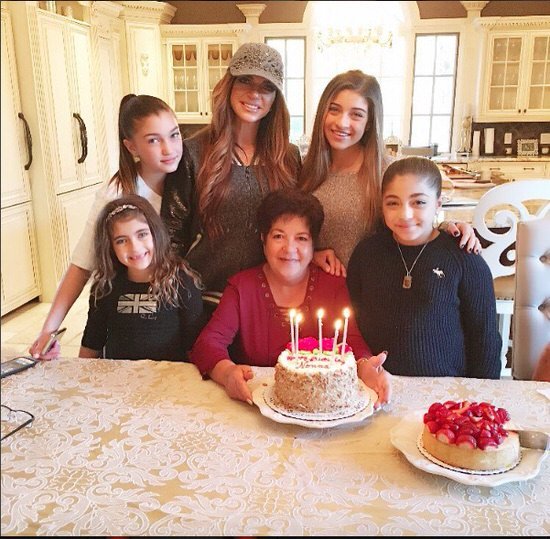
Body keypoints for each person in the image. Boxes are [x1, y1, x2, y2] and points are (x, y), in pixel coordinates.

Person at [190, 189, 391, 407]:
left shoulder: (332, 286)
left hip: (319, 408)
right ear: (263, 239)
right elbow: (208, 343)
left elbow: (351, 341)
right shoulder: (242, 287)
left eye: (301, 238)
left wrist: (366, 368)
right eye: (278, 236)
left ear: (313, 244)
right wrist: (228, 372)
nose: (290, 248)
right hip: (255, 407)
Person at [29, 94, 193, 359]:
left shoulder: (189, 178)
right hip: (131, 313)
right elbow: (82, 265)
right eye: (154, 140)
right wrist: (49, 329)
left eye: (174, 135)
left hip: (178, 305)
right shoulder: (116, 194)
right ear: (132, 147)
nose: (169, 148)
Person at [161, 42, 301, 317]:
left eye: (266, 87)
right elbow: (171, 235)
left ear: (276, 98)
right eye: (245, 81)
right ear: (229, 85)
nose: (254, 94)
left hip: (270, 303)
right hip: (203, 302)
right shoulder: (193, 152)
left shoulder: (289, 157)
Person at [299, 70, 481, 275]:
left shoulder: (388, 172)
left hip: (375, 291)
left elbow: (413, 219)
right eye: (334, 110)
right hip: (317, 290)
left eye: (356, 114)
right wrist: (312, 253)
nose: (342, 122)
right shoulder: (305, 169)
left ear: (369, 123)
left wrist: (450, 228)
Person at [347, 156, 501, 378]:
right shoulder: (366, 254)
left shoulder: (464, 259)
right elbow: (353, 326)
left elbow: (484, 339)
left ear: (438, 204)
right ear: (382, 205)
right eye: (393, 202)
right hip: (375, 388)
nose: (405, 214)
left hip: (445, 393)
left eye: (418, 202)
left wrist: (480, 398)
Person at [79, 195, 203, 360]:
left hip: (169, 379)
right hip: (120, 380)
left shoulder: (182, 282)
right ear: (110, 246)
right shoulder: (104, 287)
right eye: (121, 240)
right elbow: (92, 342)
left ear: (155, 233)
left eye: (142, 234)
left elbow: (195, 346)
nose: (135, 247)